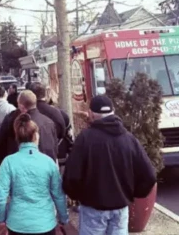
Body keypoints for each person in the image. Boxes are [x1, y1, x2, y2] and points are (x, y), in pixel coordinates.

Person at [63, 95, 156, 235]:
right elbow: (149, 175)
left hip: (93, 208)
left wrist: (77, 196)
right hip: (120, 208)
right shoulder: (128, 139)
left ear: (91, 114)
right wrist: (132, 193)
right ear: (113, 111)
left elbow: (71, 177)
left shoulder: (85, 139)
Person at [0, 113, 69, 235]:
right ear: (36, 136)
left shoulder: (8, 162)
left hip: (17, 222)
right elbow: (58, 194)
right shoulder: (48, 162)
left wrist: (1, 218)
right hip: (45, 222)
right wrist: (63, 217)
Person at [0, 90, 58, 166]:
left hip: (22, 167)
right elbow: (54, 148)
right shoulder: (49, 122)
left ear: (21, 106)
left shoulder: (15, 121)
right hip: (46, 167)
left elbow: (1, 147)